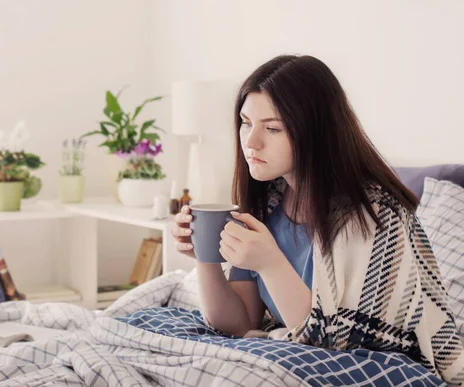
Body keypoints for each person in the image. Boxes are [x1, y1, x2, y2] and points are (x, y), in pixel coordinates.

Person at [171, 55, 463, 383]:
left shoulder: (375, 217)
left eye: (272, 128)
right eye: (245, 122)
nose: (251, 142)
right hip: (297, 357)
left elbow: (335, 346)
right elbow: (239, 324)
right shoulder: (267, 204)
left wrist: (270, 263)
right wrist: (206, 257)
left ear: (315, 132)